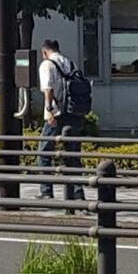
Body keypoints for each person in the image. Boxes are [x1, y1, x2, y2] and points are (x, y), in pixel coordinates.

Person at [32, 39, 86, 204]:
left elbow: (48, 88)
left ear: (44, 52)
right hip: (74, 113)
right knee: (72, 155)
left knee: (44, 152)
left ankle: (46, 191)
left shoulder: (47, 65)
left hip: (57, 114)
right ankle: (77, 193)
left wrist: (49, 110)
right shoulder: (70, 63)